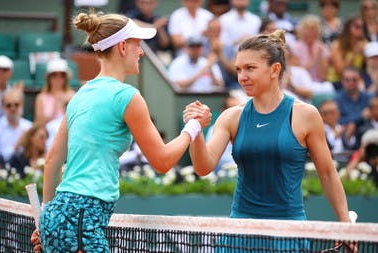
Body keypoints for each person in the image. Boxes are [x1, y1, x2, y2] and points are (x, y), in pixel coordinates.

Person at [30, 10, 211, 253]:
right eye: (138, 45)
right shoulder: (128, 97)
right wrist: (194, 126)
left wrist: (46, 219)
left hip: (56, 213)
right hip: (84, 216)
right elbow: (163, 161)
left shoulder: (80, 94)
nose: (142, 51)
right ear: (123, 47)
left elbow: (52, 160)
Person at [184, 30, 352, 224]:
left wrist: (344, 222)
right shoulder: (231, 117)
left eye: (250, 68)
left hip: (289, 231)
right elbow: (203, 167)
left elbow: (328, 173)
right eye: (238, 69)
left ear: (275, 69)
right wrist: (195, 130)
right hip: (241, 230)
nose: (242, 77)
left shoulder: (306, 115)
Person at [34, 58, 75, 124]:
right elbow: (38, 124)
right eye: (54, 75)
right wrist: (55, 108)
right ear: (49, 78)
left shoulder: (72, 95)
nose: (58, 78)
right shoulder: (41, 98)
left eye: (62, 75)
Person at [0, 88, 32, 163]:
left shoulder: (29, 126)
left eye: (16, 105)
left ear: (22, 105)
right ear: (3, 107)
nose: (13, 108)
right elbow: (0, 156)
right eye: (8, 105)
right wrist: (16, 146)